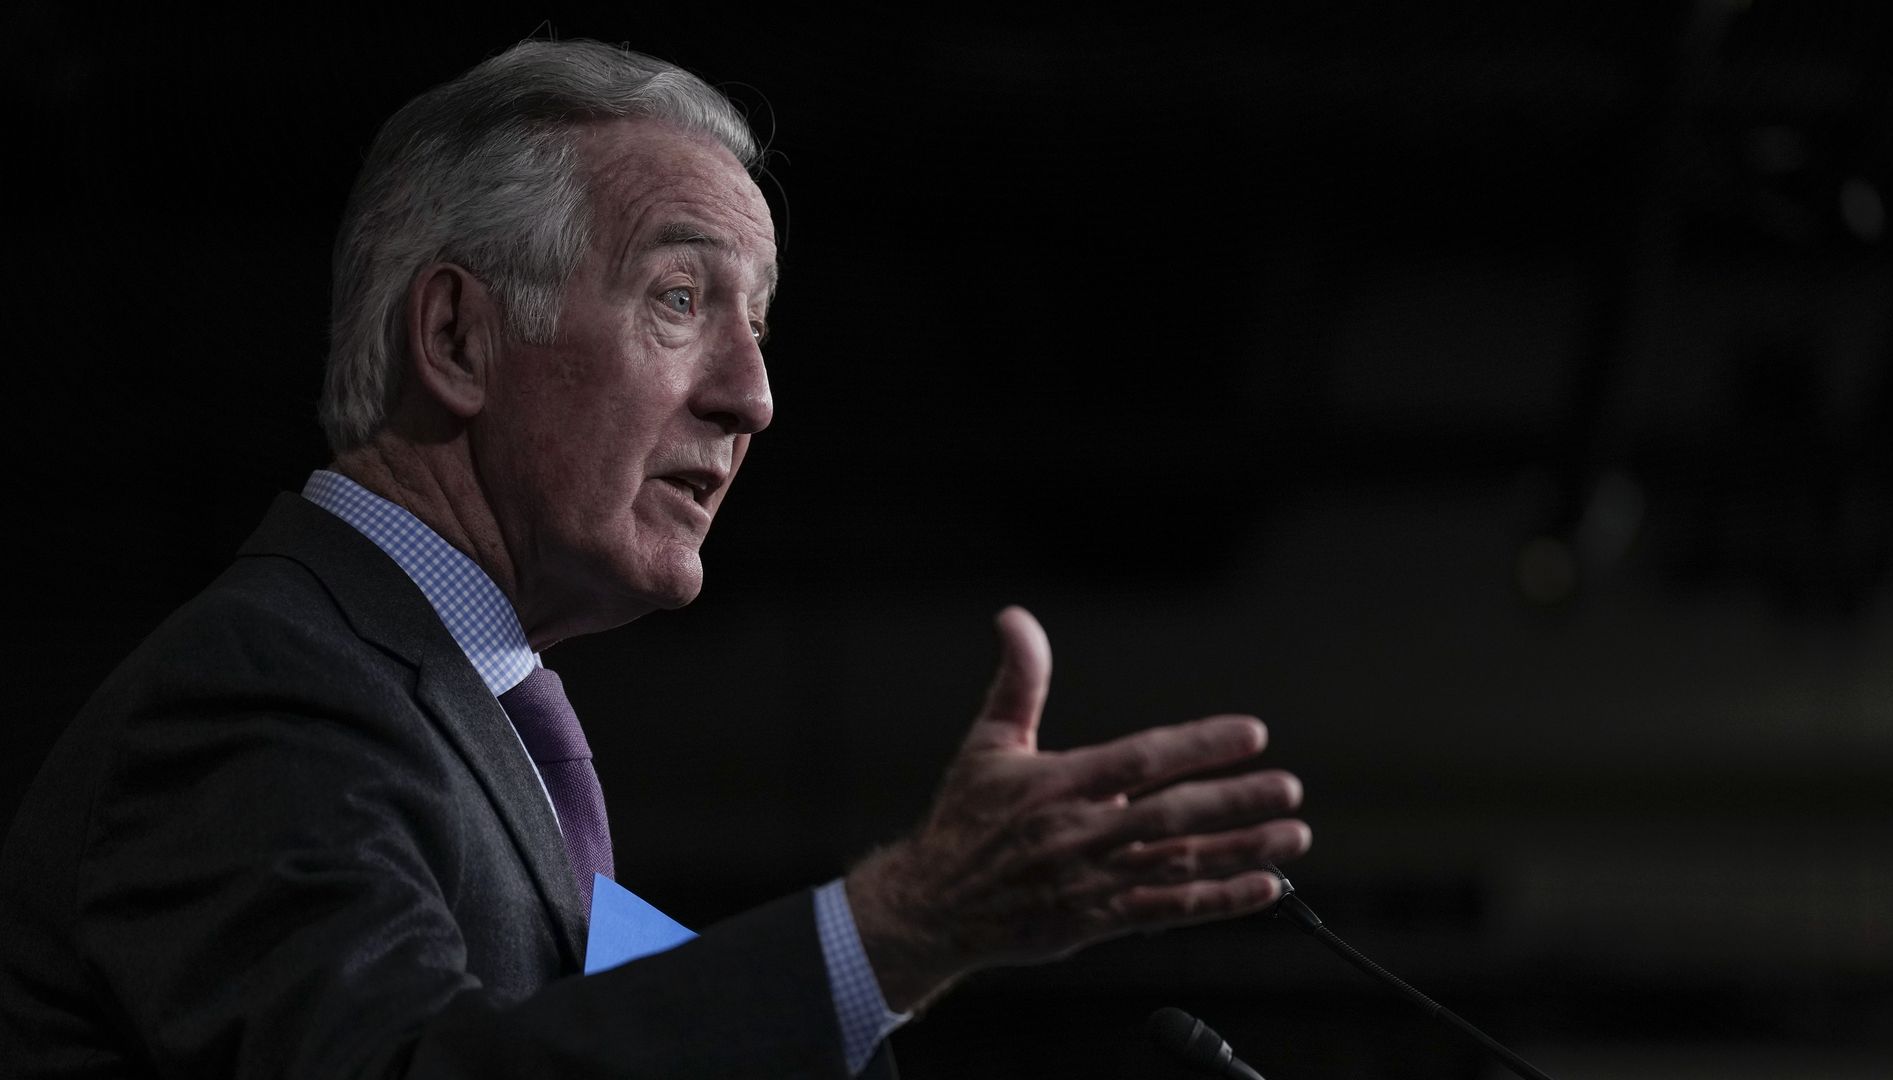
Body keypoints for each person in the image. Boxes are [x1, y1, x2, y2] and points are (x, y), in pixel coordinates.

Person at [0, 39, 1311, 1078]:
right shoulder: (265, 692)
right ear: (456, 339)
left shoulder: (469, 723)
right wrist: (905, 924)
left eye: (760, 327)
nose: (754, 397)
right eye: (681, 301)